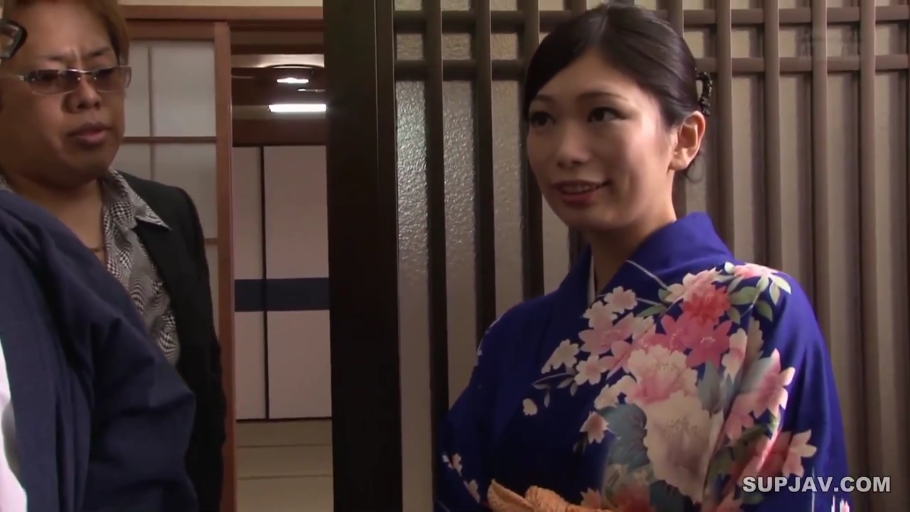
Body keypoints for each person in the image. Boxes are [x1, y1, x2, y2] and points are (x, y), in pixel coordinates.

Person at [435, 4, 851, 512]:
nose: (565, 150)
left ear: (684, 139)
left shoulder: (760, 310)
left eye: (601, 114)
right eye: (542, 119)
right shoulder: (513, 337)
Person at [0, 1, 226, 509]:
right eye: (49, 77)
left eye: (102, 73)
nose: (87, 96)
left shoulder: (167, 214)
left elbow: (203, 390)